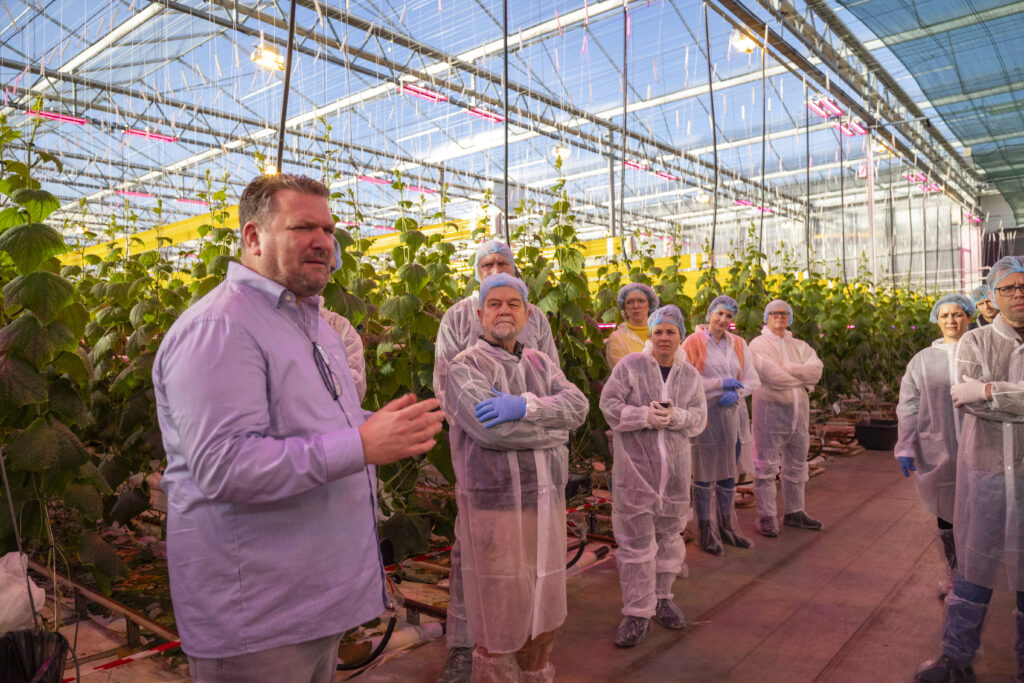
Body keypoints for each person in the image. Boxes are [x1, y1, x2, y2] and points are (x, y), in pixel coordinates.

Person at [152, 174, 445, 683]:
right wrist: (360, 443)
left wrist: (369, 425)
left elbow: (310, 426)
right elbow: (225, 467)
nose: (323, 242)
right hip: (259, 616)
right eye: (303, 227)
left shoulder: (316, 328)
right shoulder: (221, 328)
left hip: (315, 601)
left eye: (329, 229)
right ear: (252, 237)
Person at [442, 273, 589, 682]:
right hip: (496, 506)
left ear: (527, 313)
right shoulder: (465, 366)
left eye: (513, 303)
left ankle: (535, 675)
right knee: (500, 612)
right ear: (479, 314)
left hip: (546, 504)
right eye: (494, 304)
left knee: (543, 606)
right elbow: (492, 431)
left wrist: (524, 406)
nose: (504, 310)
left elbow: (577, 407)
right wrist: (552, 426)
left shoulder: (540, 362)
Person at [433, 239, 558, 683]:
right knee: (473, 549)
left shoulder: (535, 317)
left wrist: (529, 417)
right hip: (481, 459)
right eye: (485, 263)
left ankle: (522, 640)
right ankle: (464, 645)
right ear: (475, 272)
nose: (493, 268)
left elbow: (554, 389)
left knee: (529, 549)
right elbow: (448, 390)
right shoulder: (457, 317)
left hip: (534, 461)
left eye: (501, 262)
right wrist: (486, 430)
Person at [914, 256, 1024, 683]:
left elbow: (982, 396)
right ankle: (955, 658)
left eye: (1023, 287)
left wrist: (990, 389)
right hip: (987, 477)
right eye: (1008, 288)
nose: (1018, 295)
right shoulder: (975, 343)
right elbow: (968, 399)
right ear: (992, 297)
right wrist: (984, 395)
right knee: (975, 567)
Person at [599, 305, 707, 648]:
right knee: (635, 545)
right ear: (650, 334)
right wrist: (643, 415)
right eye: (658, 331)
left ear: (680, 336)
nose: (663, 337)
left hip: (674, 476)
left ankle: (662, 598)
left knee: (670, 538)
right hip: (636, 474)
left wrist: (674, 417)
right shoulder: (630, 366)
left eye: (670, 332)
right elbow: (609, 405)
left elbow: (699, 419)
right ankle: (636, 612)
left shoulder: (689, 376)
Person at [895, 294, 974, 599]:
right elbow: (909, 405)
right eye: (944, 316)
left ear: (968, 317)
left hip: (980, 445)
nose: (951, 321)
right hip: (939, 449)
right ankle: (954, 570)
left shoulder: (979, 351)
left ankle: (976, 573)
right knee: (946, 512)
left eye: (957, 314)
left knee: (979, 510)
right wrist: (904, 445)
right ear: (936, 320)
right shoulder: (922, 360)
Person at [681, 295, 760, 555]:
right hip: (705, 416)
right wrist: (717, 384)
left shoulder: (738, 344)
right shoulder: (692, 343)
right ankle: (706, 530)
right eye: (720, 314)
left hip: (731, 417)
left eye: (729, 316)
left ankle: (727, 527)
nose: (724, 320)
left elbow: (751, 380)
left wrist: (737, 394)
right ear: (710, 314)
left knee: (728, 472)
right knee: (703, 472)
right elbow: (685, 382)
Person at [748, 299, 824, 538]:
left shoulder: (800, 345)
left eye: (783, 313)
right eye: (774, 313)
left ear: (789, 318)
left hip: (798, 416)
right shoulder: (757, 345)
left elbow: (817, 370)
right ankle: (766, 516)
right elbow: (771, 377)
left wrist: (788, 368)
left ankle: (795, 511)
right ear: (766, 318)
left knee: (797, 464)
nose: (779, 317)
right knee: (765, 467)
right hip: (770, 416)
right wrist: (803, 380)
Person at [320, 235, 366, 401]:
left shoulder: (339, 327)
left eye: (329, 269)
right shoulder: (268, 321)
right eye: (315, 263)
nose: (321, 276)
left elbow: (353, 392)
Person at [605, 283, 659, 370]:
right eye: (630, 302)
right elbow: (622, 373)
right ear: (624, 307)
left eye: (641, 301)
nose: (636, 306)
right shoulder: (617, 338)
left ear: (650, 305)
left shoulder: (663, 333)